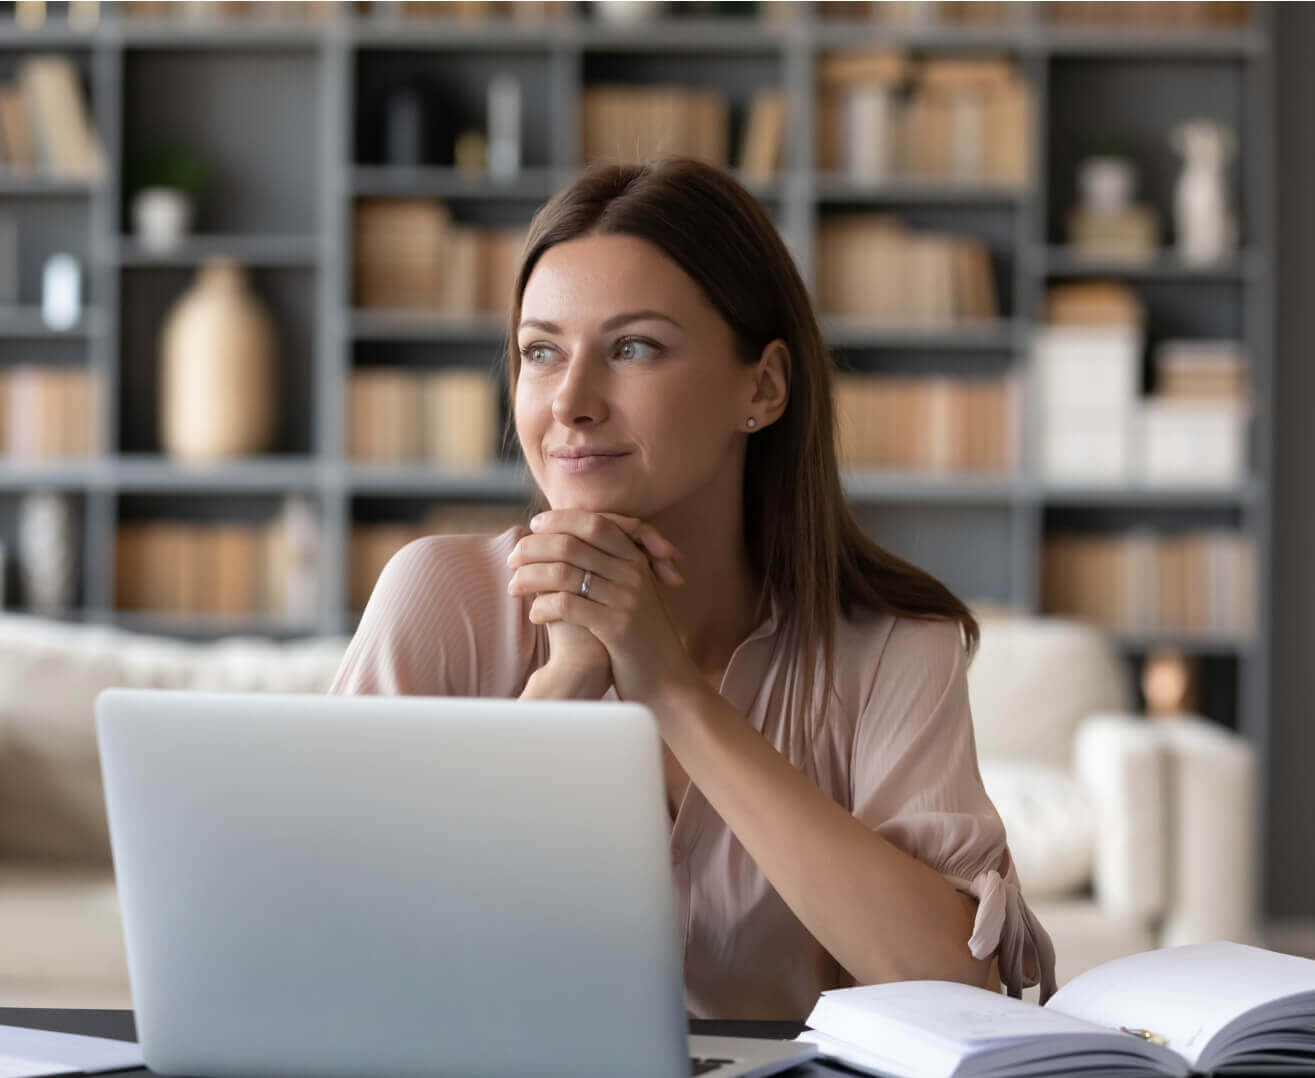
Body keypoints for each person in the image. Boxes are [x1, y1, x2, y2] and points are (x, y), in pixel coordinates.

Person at [330, 156, 1055, 1020]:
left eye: (633, 347)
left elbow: (952, 987)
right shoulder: (438, 600)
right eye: (540, 351)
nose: (571, 401)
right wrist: (561, 686)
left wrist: (671, 691)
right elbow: (336, 947)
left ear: (763, 386)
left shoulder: (896, 647)